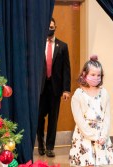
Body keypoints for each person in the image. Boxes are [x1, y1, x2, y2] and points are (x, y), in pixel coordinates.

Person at [69, 55, 113, 167]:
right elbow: (80, 120)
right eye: (92, 75)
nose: (96, 78)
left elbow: (107, 117)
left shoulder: (104, 93)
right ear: (84, 74)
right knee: (88, 165)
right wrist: (93, 136)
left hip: (101, 135)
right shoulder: (78, 95)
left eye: (98, 75)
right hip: (85, 136)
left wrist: (103, 135)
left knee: (96, 166)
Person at [37, 17, 71, 157]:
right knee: (39, 118)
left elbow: (66, 69)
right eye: (47, 26)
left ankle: (50, 147)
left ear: (55, 27)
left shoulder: (62, 46)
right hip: (40, 88)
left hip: (55, 88)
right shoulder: (38, 45)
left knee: (53, 118)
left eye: (52, 26)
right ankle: (41, 144)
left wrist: (66, 89)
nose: (50, 29)